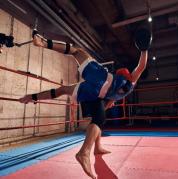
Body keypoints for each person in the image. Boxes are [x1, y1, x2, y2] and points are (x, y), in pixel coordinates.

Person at [19, 28, 151, 179]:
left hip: (99, 76)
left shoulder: (129, 80)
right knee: (98, 118)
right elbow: (107, 106)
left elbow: (141, 66)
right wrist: (144, 49)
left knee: (75, 53)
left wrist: (144, 50)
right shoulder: (122, 91)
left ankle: (42, 44)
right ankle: (94, 148)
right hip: (95, 92)